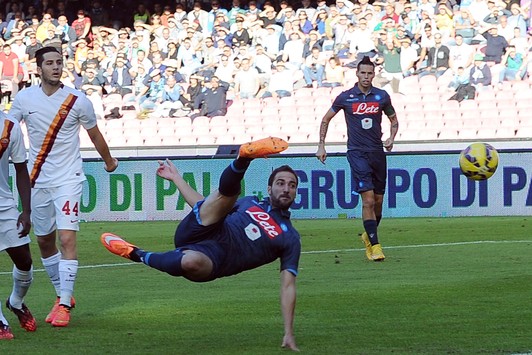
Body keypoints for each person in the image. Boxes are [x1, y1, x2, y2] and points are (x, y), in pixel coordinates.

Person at [101, 137, 300, 352]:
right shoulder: (250, 202)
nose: (286, 189)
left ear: (296, 192)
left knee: (190, 262)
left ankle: (136, 254)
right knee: (229, 196)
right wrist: (177, 179)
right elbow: (205, 206)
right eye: (280, 183)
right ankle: (243, 158)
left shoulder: (290, 238)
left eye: (292, 185)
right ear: (269, 188)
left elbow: (287, 286)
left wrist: (289, 331)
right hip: (202, 229)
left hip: (215, 258)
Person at [9, 47, 118, 328]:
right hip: (37, 180)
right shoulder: (24, 98)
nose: (56, 67)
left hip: (68, 178)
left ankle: (65, 303)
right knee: (44, 240)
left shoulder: (77, 100)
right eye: (50, 63)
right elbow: (7, 130)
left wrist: (109, 161)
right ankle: (62, 296)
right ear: (38, 68)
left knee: (67, 239)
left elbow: (94, 134)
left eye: (59, 62)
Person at [315, 56, 399, 261]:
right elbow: (326, 119)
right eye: (363, 73)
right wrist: (321, 145)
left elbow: (393, 119)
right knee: (368, 200)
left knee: (378, 201)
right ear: (357, 73)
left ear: (374, 74)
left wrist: (391, 137)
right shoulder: (345, 97)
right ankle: (376, 246)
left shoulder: (382, 96)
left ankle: (368, 236)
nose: (366, 77)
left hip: (377, 152)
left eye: (370, 73)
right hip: (356, 152)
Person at [0, 112, 36, 340]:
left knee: (25, 261)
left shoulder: (9, 125)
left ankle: (15, 302)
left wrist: (26, 210)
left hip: (4, 205)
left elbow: (21, 169)